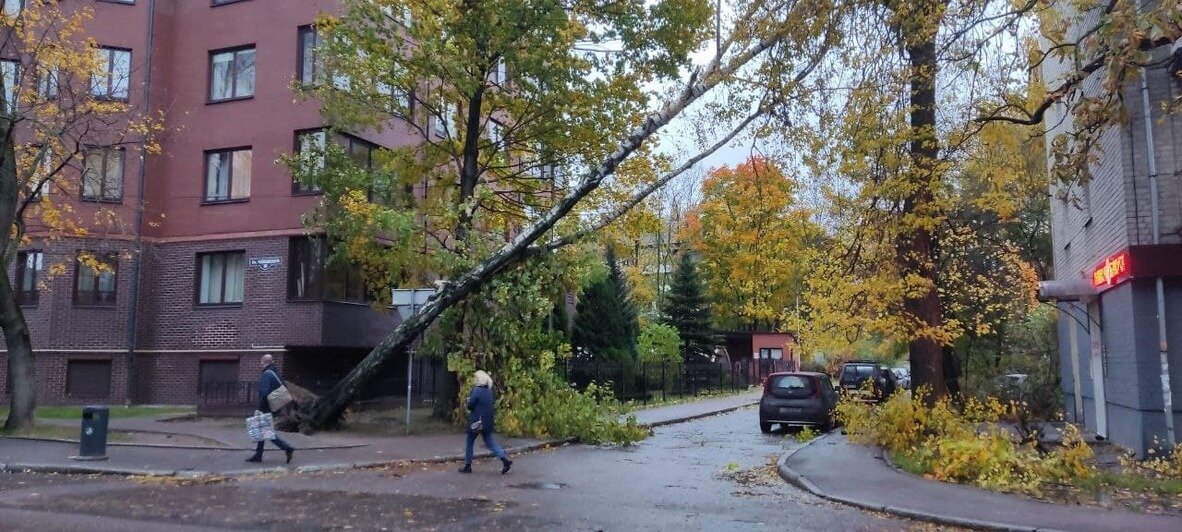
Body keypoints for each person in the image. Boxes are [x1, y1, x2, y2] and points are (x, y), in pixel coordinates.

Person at [458, 370, 512, 474]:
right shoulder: (489, 391)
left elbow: (470, 405)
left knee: (469, 442)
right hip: (487, 421)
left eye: (475, 378)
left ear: (478, 379)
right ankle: (505, 460)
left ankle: (467, 466)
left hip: (477, 422)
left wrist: (468, 400)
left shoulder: (476, 390)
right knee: (490, 442)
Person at [247, 354, 295, 464]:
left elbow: (264, 392)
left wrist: (260, 407)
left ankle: (287, 448)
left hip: (265, 406)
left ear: (263, 361)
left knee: (266, 432)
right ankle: (258, 455)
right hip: (272, 406)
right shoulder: (275, 372)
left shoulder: (267, 374)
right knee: (262, 430)